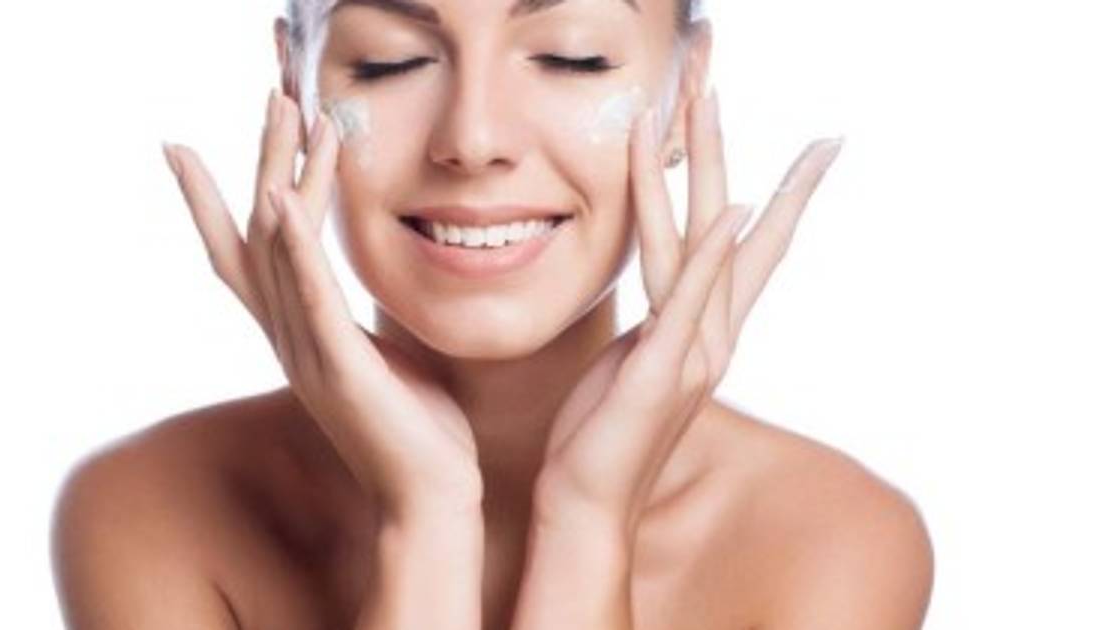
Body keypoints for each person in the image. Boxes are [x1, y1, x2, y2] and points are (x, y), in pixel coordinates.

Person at [50, 0, 934, 628]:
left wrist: (587, 522)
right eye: (390, 61)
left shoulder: (830, 538)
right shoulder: (152, 511)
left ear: (686, 90)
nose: (473, 140)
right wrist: (426, 523)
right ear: (296, 86)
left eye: (573, 58)